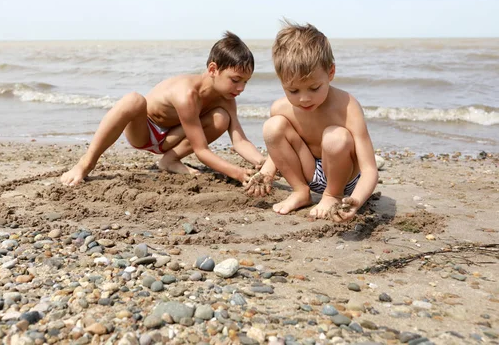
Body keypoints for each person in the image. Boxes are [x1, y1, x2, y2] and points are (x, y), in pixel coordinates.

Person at [61, 31, 265, 186]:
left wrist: (263, 162)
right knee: (133, 100)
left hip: (173, 137)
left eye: (246, 82)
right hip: (146, 132)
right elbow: (201, 151)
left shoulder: (226, 98)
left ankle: (169, 161)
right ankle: (85, 164)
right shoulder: (186, 94)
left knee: (221, 118)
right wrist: (236, 173)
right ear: (213, 69)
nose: (241, 88)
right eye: (236, 80)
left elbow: (239, 140)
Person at [246, 21, 378, 222]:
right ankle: (301, 192)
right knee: (272, 127)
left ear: (330, 73)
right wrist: (265, 174)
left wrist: (357, 200)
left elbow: (369, 169)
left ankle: (332, 195)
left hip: (346, 180)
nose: (304, 98)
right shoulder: (281, 108)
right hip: (310, 173)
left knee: (335, 137)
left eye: (314, 88)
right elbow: (279, 149)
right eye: (293, 91)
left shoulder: (348, 107)